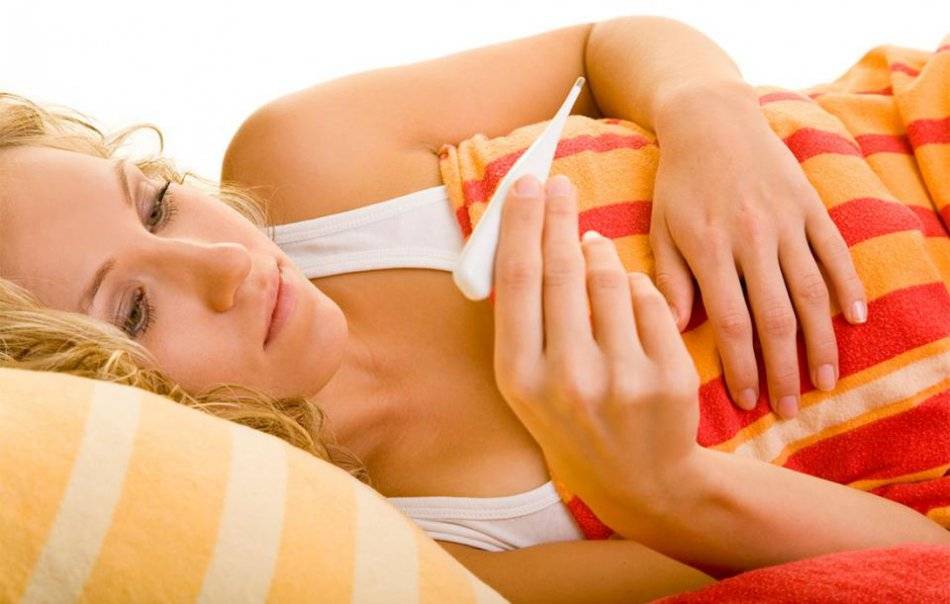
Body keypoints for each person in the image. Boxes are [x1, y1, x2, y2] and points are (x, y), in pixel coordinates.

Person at [0, 15, 945, 602]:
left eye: (156, 203)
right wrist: (662, 487)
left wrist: (708, 115)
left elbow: (605, 45)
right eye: (134, 310)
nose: (223, 262)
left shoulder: (309, 159)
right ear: (101, 405)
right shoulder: (439, 551)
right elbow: (918, 566)